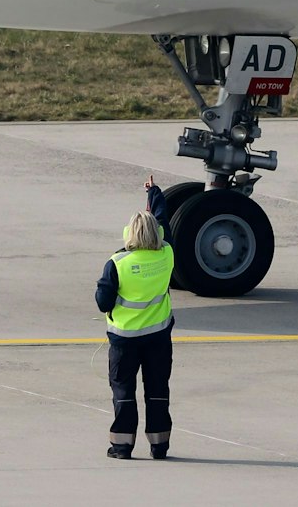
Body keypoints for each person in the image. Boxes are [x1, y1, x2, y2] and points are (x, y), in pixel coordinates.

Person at [95, 175, 175, 460]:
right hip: (158, 339)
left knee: (124, 393)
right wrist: (154, 192)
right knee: (157, 392)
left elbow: (102, 302)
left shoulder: (116, 263)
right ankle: (159, 445)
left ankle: (122, 446)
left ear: (129, 232)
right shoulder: (166, 254)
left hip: (124, 341)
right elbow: (163, 219)